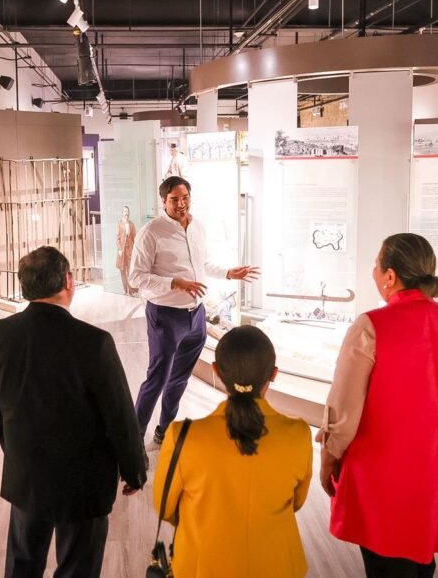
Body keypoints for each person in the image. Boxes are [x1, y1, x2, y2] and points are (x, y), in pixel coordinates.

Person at [320, 233, 438, 577]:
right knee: (422, 557)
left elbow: (344, 409)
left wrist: (328, 457)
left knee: (386, 562)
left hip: (384, 475)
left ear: (390, 276)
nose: (373, 272)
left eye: (375, 265)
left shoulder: (371, 327)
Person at [0, 246, 146, 578]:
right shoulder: (94, 341)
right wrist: (134, 469)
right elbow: (120, 416)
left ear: (24, 286)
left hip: (26, 475)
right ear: (68, 281)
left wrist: (15, 449)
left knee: (23, 563)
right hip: (82, 481)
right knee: (77, 568)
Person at [153, 325, 311, 577]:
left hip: (201, 567)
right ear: (274, 374)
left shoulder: (182, 436)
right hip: (278, 566)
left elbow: (165, 508)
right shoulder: (299, 434)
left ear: (216, 370)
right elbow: (296, 502)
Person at [129, 175, 258, 449]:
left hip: (196, 315)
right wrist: (173, 283)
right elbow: (136, 277)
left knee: (179, 379)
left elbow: (202, 264)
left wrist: (228, 273)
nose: (181, 204)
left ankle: (164, 431)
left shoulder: (197, 226)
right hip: (165, 316)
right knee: (157, 379)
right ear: (163, 201)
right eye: (174, 199)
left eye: (185, 198)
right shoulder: (151, 232)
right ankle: (134, 440)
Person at [115, 204, 138, 295]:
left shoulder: (132, 224)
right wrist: (119, 249)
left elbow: (134, 238)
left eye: (127, 212)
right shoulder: (119, 224)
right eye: (125, 212)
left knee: (130, 270)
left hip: (129, 250)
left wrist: (135, 249)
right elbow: (117, 238)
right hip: (122, 251)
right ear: (122, 213)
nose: (126, 213)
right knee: (122, 270)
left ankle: (131, 290)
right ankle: (125, 290)